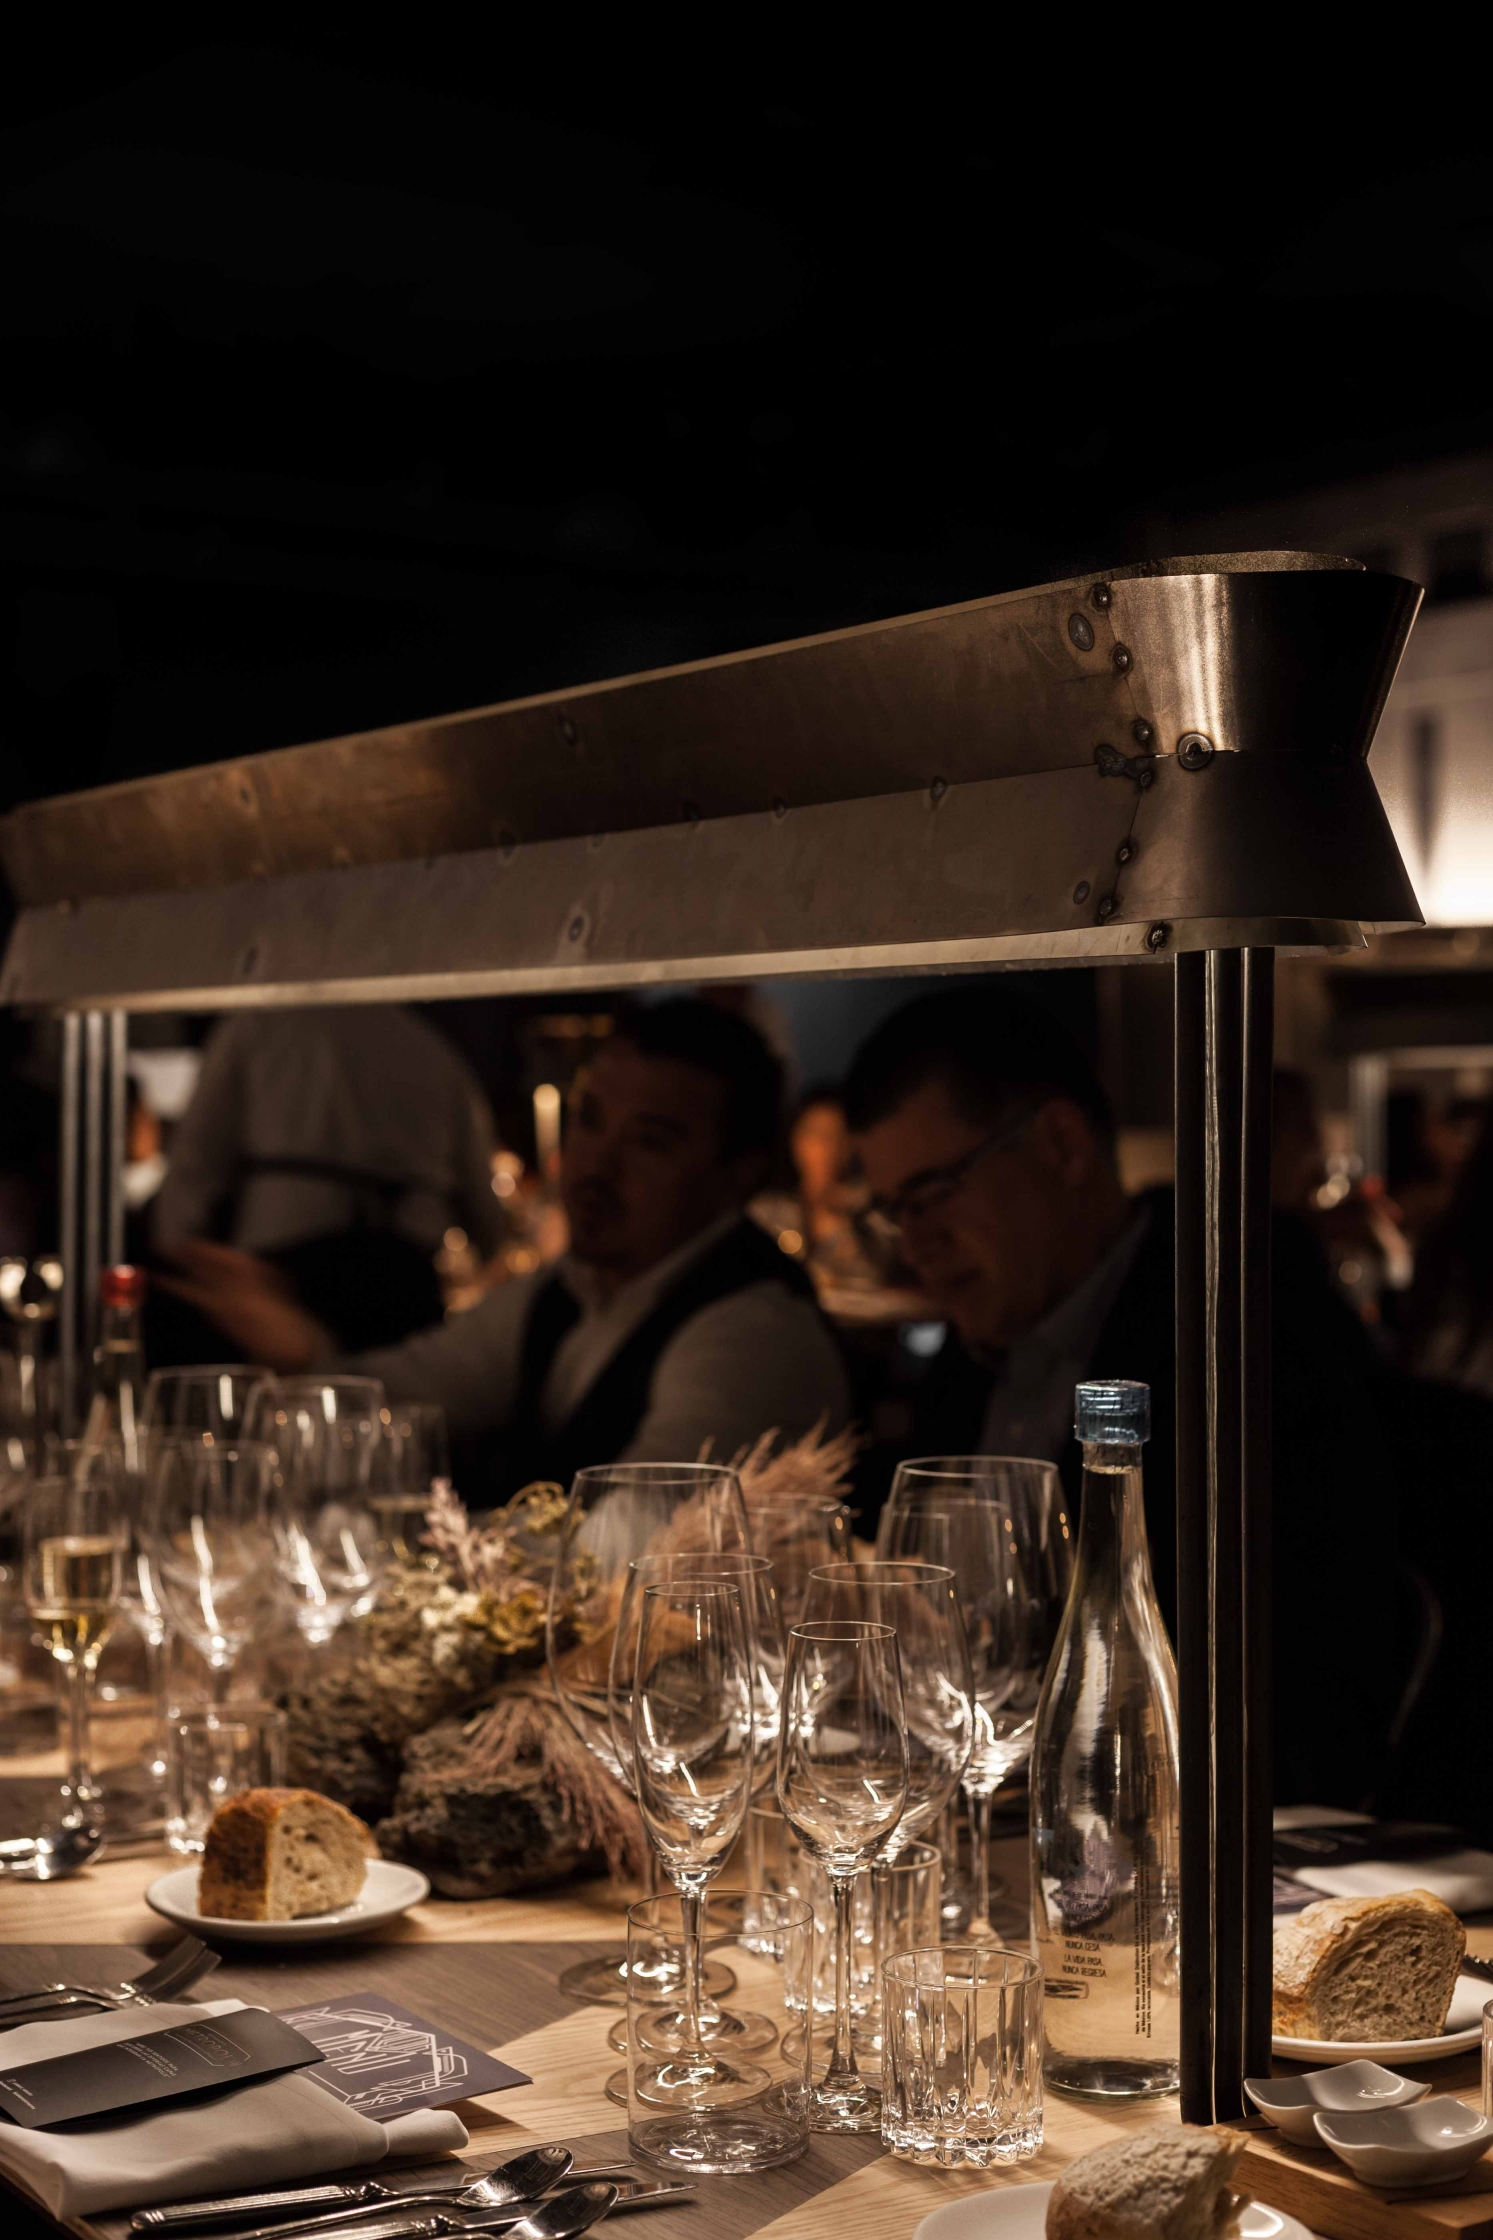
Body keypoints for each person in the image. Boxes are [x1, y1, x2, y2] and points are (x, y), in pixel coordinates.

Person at [843, 984, 1402, 1808]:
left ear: (1061, 1145)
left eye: (932, 1194)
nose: (914, 1243)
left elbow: (1285, 1680)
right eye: (895, 1212)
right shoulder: (981, 1345)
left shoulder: (1240, 1320)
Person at [165, 999, 851, 1497]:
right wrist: (306, 1354)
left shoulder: (754, 1331)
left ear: (738, 1175)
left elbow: (633, 1536)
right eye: (589, 1121)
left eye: (650, 1142)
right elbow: (414, 1390)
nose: (593, 1165)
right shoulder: (569, 1292)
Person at [153, 1006, 502, 1351]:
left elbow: (196, 1159)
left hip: (285, 1269)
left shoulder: (257, 1026)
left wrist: (182, 1259)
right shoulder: (433, 1051)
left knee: (285, 1382)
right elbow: (485, 1213)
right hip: (404, 1278)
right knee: (404, 1383)